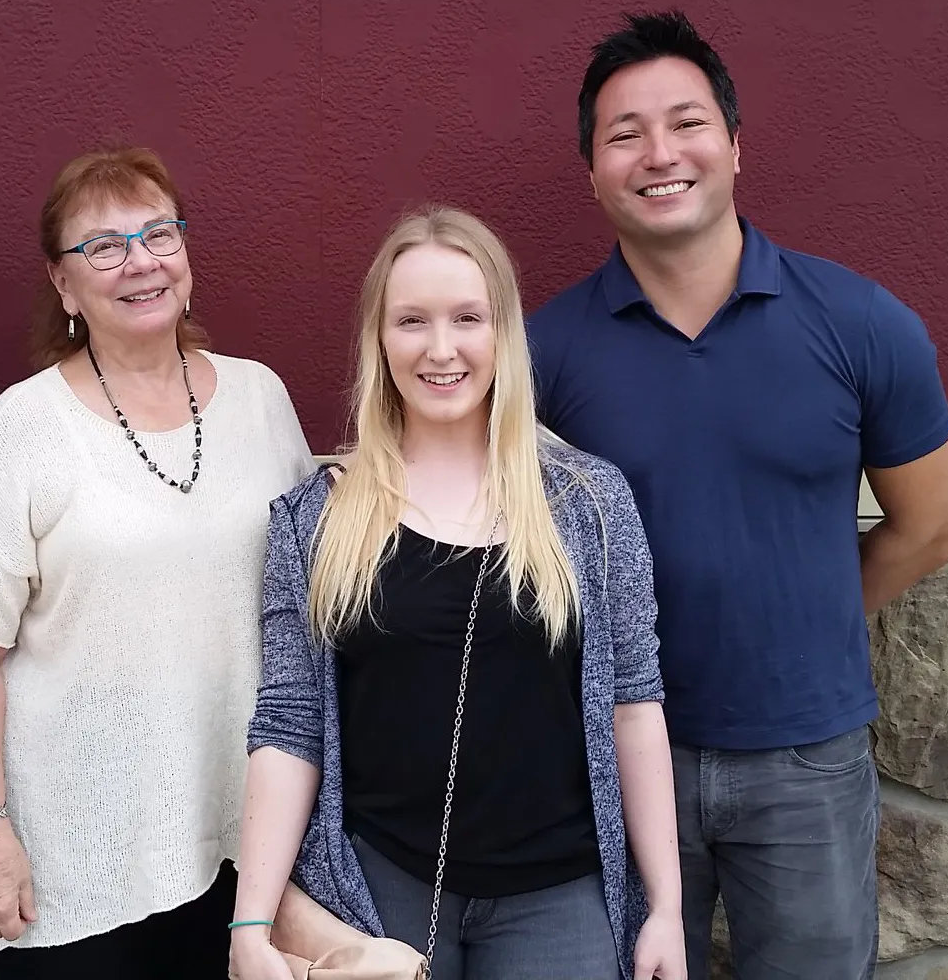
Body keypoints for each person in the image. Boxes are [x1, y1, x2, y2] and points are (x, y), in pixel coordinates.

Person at [528, 11, 948, 979]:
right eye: (624, 134)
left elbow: (933, 528)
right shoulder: (541, 358)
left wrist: (803, 618)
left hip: (807, 761)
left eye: (686, 123)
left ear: (734, 146)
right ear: (593, 172)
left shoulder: (861, 325)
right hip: (616, 757)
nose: (659, 153)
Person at [232, 207, 685, 980]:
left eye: (466, 318)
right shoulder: (316, 519)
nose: (440, 349)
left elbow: (633, 706)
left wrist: (665, 907)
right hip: (381, 888)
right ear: (379, 337)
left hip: (559, 896)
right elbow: (289, 723)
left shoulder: (588, 503)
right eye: (411, 320)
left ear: (502, 333)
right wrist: (252, 923)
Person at [0, 145, 317, 978]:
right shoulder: (28, 426)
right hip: (83, 853)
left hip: (249, 837)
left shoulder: (260, 398)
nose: (140, 262)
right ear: (63, 285)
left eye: (158, 234)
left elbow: (310, 592)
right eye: (103, 246)